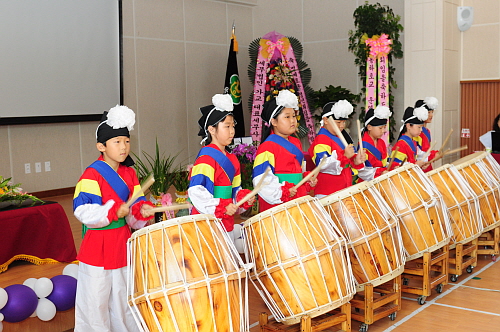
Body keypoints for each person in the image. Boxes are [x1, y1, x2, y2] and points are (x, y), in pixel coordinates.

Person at [73, 105, 155, 332]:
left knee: (122, 301)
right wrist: (111, 212)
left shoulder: (129, 173)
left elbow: (136, 206)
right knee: (95, 303)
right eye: (117, 142)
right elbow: (82, 211)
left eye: (126, 141)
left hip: (121, 244)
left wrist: (142, 212)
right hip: (97, 247)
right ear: (101, 146)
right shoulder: (91, 175)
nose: (123, 147)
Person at [188, 94, 254, 242]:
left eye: (233, 126)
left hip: (226, 222)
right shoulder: (206, 158)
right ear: (212, 129)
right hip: (207, 225)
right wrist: (221, 206)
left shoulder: (233, 159)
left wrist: (242, 199)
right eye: (227, 126)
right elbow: (196, 191)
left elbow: (235, 190)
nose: (232, 131)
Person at [252, 89, 317, 211]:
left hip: (297, 200)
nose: (293, 120)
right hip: (278, 206)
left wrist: (306, 179)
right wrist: (282, 191)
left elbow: (300, 170)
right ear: (274, 121)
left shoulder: (295, 142)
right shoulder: (267, 147)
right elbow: (261, 179)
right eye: (287, 117)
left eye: (293, 116)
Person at [308, 100, 365, 197]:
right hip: (327, 192)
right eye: (338, 122)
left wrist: (355, 160)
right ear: (326, 120)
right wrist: (344, 156)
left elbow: (346, 162)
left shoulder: (340, 138)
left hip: (343, 188)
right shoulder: (321, 139)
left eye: (343, 122)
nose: (342, 126)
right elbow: (323, 164)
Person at [357, 105, 392, 181]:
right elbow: (362, 171)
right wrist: (379, 173)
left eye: (384, 127)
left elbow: (384, 163)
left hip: (381, 177)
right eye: (380, 128)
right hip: (367, 182)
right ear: (369, 127)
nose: (383, 131)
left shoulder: (381, 142)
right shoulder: (363, 144)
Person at [413, 97, 443, 172]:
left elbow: (427, 151)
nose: (431, 115)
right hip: (419, 168)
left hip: (427, 165)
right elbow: (417, 153)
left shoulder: (427, 131)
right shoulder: (416, 132)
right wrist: (433, 155)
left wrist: (435, 155)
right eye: (428, 112)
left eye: (432, 112)